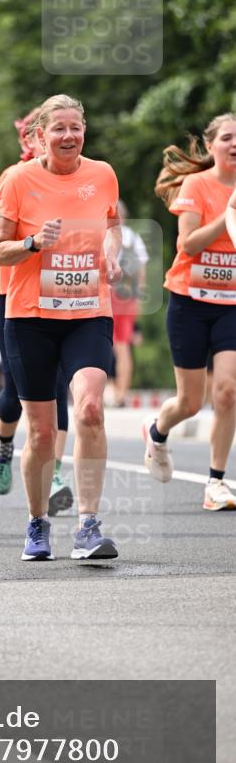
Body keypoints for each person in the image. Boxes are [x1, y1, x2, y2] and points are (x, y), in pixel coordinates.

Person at [0, 94, 121, 561]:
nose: (68, 136)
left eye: (75, 127)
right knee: (43, 433)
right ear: (40, 135)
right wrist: (30, 242)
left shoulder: (102, 174)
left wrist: (112, 250)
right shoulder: (19, 179)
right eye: (58, 128)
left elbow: (113, 223)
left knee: (89, 410)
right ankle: (38, 522)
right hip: (30, 317)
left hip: (88, 310)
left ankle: (88, 525)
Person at [0, 109, 74, 514]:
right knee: (18, 391)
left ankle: (53, 473)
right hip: (13, 292)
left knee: (60, 382)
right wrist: (31, 236)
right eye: (41, 134)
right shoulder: (14, 178)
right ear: (30, 140)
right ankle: (3, 447)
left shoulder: (80, 177)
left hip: (63, 290)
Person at [143, 113, 236, 511]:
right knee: (190, 402)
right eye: (228, 137)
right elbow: (189, 245)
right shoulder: (197, 185)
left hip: (231, 304)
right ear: (212, 144)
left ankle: (215, 483)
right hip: (190, 302)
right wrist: (228, 213)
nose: (235, 144)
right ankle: (158, 433)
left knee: (229, 392)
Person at [108, 199, 149, 407]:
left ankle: (115, 391)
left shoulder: (109, 235)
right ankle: (120, 393)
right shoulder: (134, 238)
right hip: (127, 296)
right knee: (122, 346)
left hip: (111, 294)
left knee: (110, 344)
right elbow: (141, 273)